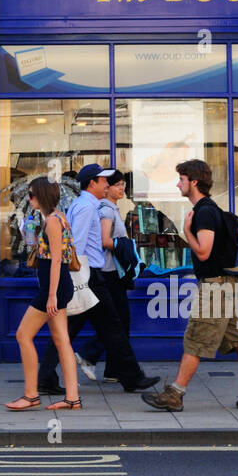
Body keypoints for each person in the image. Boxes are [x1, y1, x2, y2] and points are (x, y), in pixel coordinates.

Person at [142, 159, 238, 412]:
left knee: (195, 338)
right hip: (224, 286)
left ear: (194, 182)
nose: (177, 184)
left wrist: (186, 231)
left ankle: (175, 394)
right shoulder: (208, 209)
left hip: (216, 288)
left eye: (181, 179)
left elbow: (203, 252)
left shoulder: (204, 212)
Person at [36, 165, 158, 394]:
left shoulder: (87, 205)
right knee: (112, 326)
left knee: (75, 329)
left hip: (87, 275)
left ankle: (45, 377)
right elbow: (77, 245)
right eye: (104, 181)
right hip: (88, 275)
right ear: (92, 183)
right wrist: (78, 280)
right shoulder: (86, 208)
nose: (107, 185)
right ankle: (131, 377)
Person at [5, 177, 81, 411]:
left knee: (23, 335)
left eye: (31, 195)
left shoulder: (53, 222)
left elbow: (57, 259)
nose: (29, 199)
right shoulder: (55, 218)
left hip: (54, 288)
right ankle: (72, 398)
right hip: (57, 287)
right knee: (62, 340)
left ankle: (30, 395)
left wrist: (51, 296)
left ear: (42, 196)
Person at [74, 168, 138, 380]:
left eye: (123, 185)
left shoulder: (109, 208)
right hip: (106, 272)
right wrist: (126, 246)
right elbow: (101, 240)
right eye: (116, 184)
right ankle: (90, 355)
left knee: (115, 322)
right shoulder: (104, 210)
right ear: (104, 186)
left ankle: (113, 370)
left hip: (107, 272)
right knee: (116, 323)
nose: (122, 188)